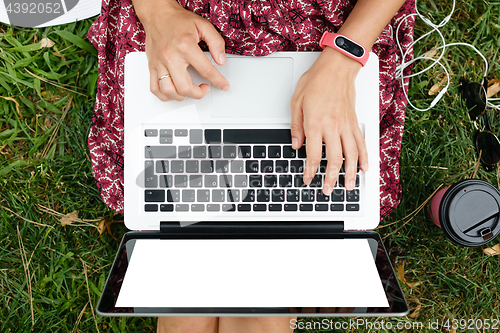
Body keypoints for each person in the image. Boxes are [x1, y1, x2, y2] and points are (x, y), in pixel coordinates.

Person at [86, 0, 415, 331]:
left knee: (206, 304)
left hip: (328, 32)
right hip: (187, 25)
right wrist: (158, 14)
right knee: (201, 303)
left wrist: (344, 57)